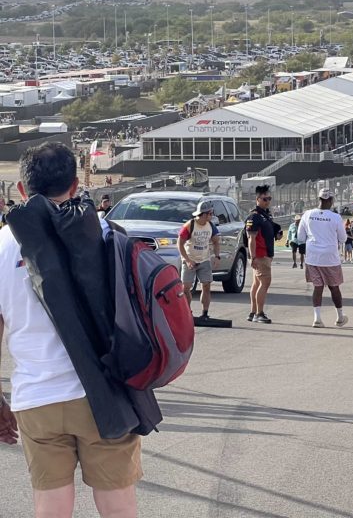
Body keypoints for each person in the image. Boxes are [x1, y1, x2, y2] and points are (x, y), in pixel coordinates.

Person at [0, 142, 155, 517]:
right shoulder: (106, 234)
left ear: (22, 190)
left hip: (37, 397)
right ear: (76, 186)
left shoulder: (2, 246)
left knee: (51, 507)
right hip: (105, 391)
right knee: (118, 504)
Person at [298, 188, 348, 329]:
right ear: (331, 200)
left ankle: (317, 318)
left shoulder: (307, 214)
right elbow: (343, 238)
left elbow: (300, 237)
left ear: (319, 199)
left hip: (313, 256)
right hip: (330, 256)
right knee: (334, 287)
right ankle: (339, 317)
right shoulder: (336, 217)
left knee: (317, 287)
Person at [177, 199, 221, 321]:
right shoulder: (189, 225)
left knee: (206, 286)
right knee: (186, 287)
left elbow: (216, 242)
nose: (212, 216)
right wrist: (187, 260)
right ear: (204, 214)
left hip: (204, 260)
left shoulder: (211, 226)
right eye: (210, 214)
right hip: (190, 259)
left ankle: (205, 313)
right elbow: (180, 244)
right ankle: (187, 313)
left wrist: (217, 256)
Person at [245, 184, 281, 324]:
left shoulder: (265, 215)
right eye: (265, 199)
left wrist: (276, 232)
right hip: (260, 255)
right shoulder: (254, 216)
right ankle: (259, 313)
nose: (267, 201)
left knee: (256, 283)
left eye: (269, 198)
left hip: (264, 254)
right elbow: (251, 238)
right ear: (257, 199)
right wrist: (253, 256)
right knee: (264, 283)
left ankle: (253, 312)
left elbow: (268, 231)